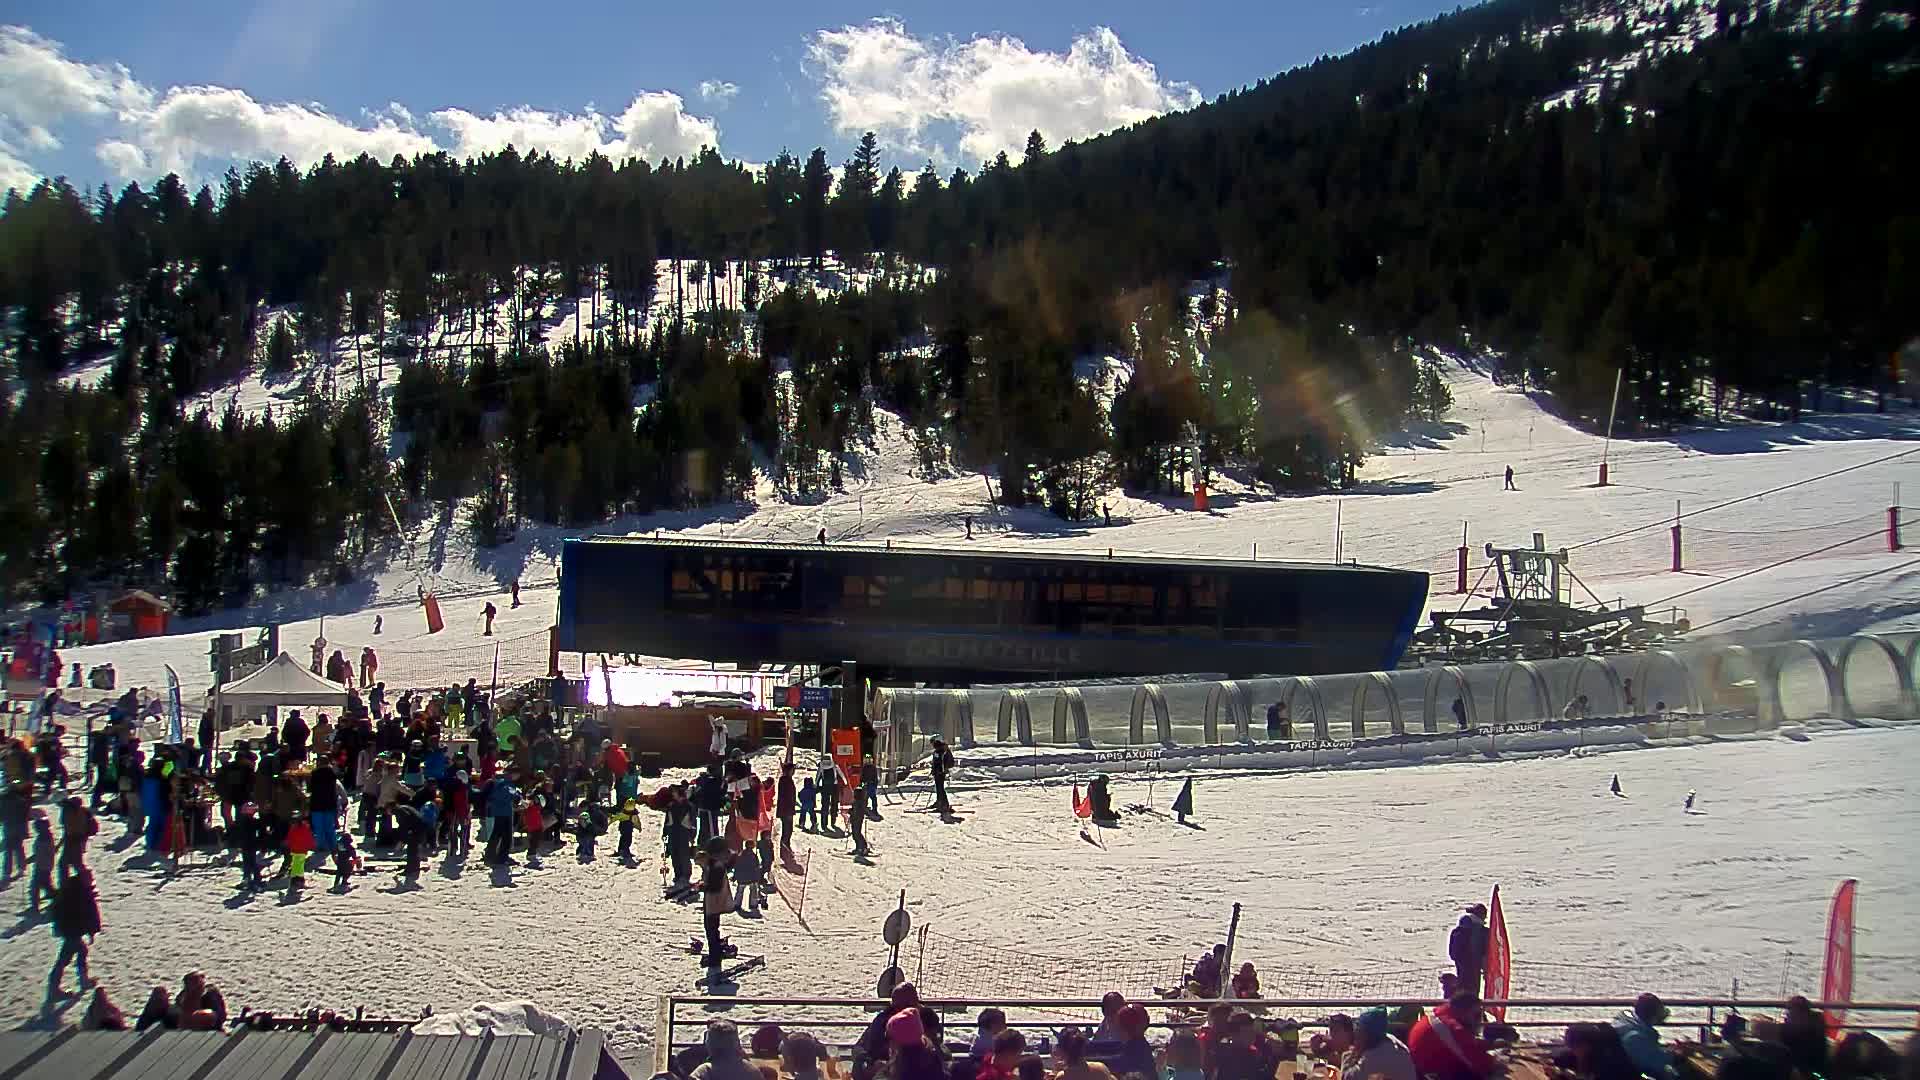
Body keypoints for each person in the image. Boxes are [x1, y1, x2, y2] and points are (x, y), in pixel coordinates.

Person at [1408, 992, 1496, 1080]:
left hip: (1424, 1069)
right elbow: (1479, 1062)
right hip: (1433, 1073)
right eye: (1476, 1015)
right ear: (1463, 1012)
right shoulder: (1453, 1028)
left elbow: (1465, 1045)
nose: (1479, 1020)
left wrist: (1492, 1045)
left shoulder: (1438, 1016)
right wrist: (1496, 1060)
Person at [47, 864, 102, 998]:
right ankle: (56, 988)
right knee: (65, 958)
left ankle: (81, 980)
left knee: (78, 952)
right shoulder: (81, 893)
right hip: (72, 930)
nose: (91, 881)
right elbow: (90, 913)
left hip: (70, 929)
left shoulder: (72, 888)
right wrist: (92, 930)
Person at [1611, 994, 1677, 1080]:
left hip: (1627, 1070)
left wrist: (1668, 1050)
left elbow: (1649, 1051)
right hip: (1636, 1074)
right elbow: (1655, 1062)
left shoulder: (1627, 1022)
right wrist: (1676, 1055)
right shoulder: (1636, 1037)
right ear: (1653, 1016)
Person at [1343, 1007, 1416, 1080]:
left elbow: (1347, 1077)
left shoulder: (1373, 1056)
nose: (1356, 1036)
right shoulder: (1390, 1040)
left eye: (1359, 1030)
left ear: (1366, 1034)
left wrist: (1349, 1058)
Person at [698, 838, 734, 969]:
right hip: (713, 903)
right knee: (712, 930)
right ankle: (715, 954)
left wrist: (702, 887)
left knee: (711, 931)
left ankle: (715, 958)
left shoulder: (716, 867)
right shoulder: (715, 864)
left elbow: (714, 887)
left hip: (714, 903)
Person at [692, 1020, 763, 1080]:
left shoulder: (703, 1072)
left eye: (707, 1040)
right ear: (737, 1044)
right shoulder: (753, 1071)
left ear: (710, 1045)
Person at [1450, 904, 1489, 989]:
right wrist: (1486, 970)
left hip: (1461, 969)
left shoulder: (1458, 930)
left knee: (1462, 990)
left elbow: (1453, 954)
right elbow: (1484, 953)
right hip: (1474, 969)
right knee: (1472, 992)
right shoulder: (1483, 932)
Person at [484, 773, 520, 865]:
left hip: (497, 812)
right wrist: (518, 796)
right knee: (506, 837)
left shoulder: (497, 784)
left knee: (496, 835)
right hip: (505, 813)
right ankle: (502, 858)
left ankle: (489, 856)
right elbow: (511, 795)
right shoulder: (507, 785)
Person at [27, 811, 56, 914]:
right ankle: (56, 899)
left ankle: (35, 906)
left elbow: (44, 853)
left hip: (43, 865)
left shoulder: (45, 838)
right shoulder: (43, 837)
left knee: (36, 885)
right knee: (45, 885)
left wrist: (34, 858)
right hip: (43, 865)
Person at [233, 803, 264, 889]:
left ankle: (248, 879)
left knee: (247, 863)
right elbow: (261, 830)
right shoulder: (254, 821)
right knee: (252, 862)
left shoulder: (242, 821)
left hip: (245, 845)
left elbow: (238, 833)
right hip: (251, 845)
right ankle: (255, 879)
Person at [929, 736, 955, 815]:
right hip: (939, 772)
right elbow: (936, 762)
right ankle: (939, 802)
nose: (932, 746)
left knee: (940, 789)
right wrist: (933, 770)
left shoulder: (940, 751)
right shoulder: (939, 750)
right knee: (939, 788)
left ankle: (944, 805)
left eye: (932, 744)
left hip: (940, 772)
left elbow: (940, 762)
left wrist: (938, 770)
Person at [777, 762, 798, 850]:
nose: (793, 771)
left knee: (788, 829)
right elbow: (786, 796)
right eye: (792, 770)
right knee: (787, 829)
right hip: (786, 809)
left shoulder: (787, 779)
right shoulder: (785, 780)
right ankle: (784, 846)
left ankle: (786, 845)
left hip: (788, 808)